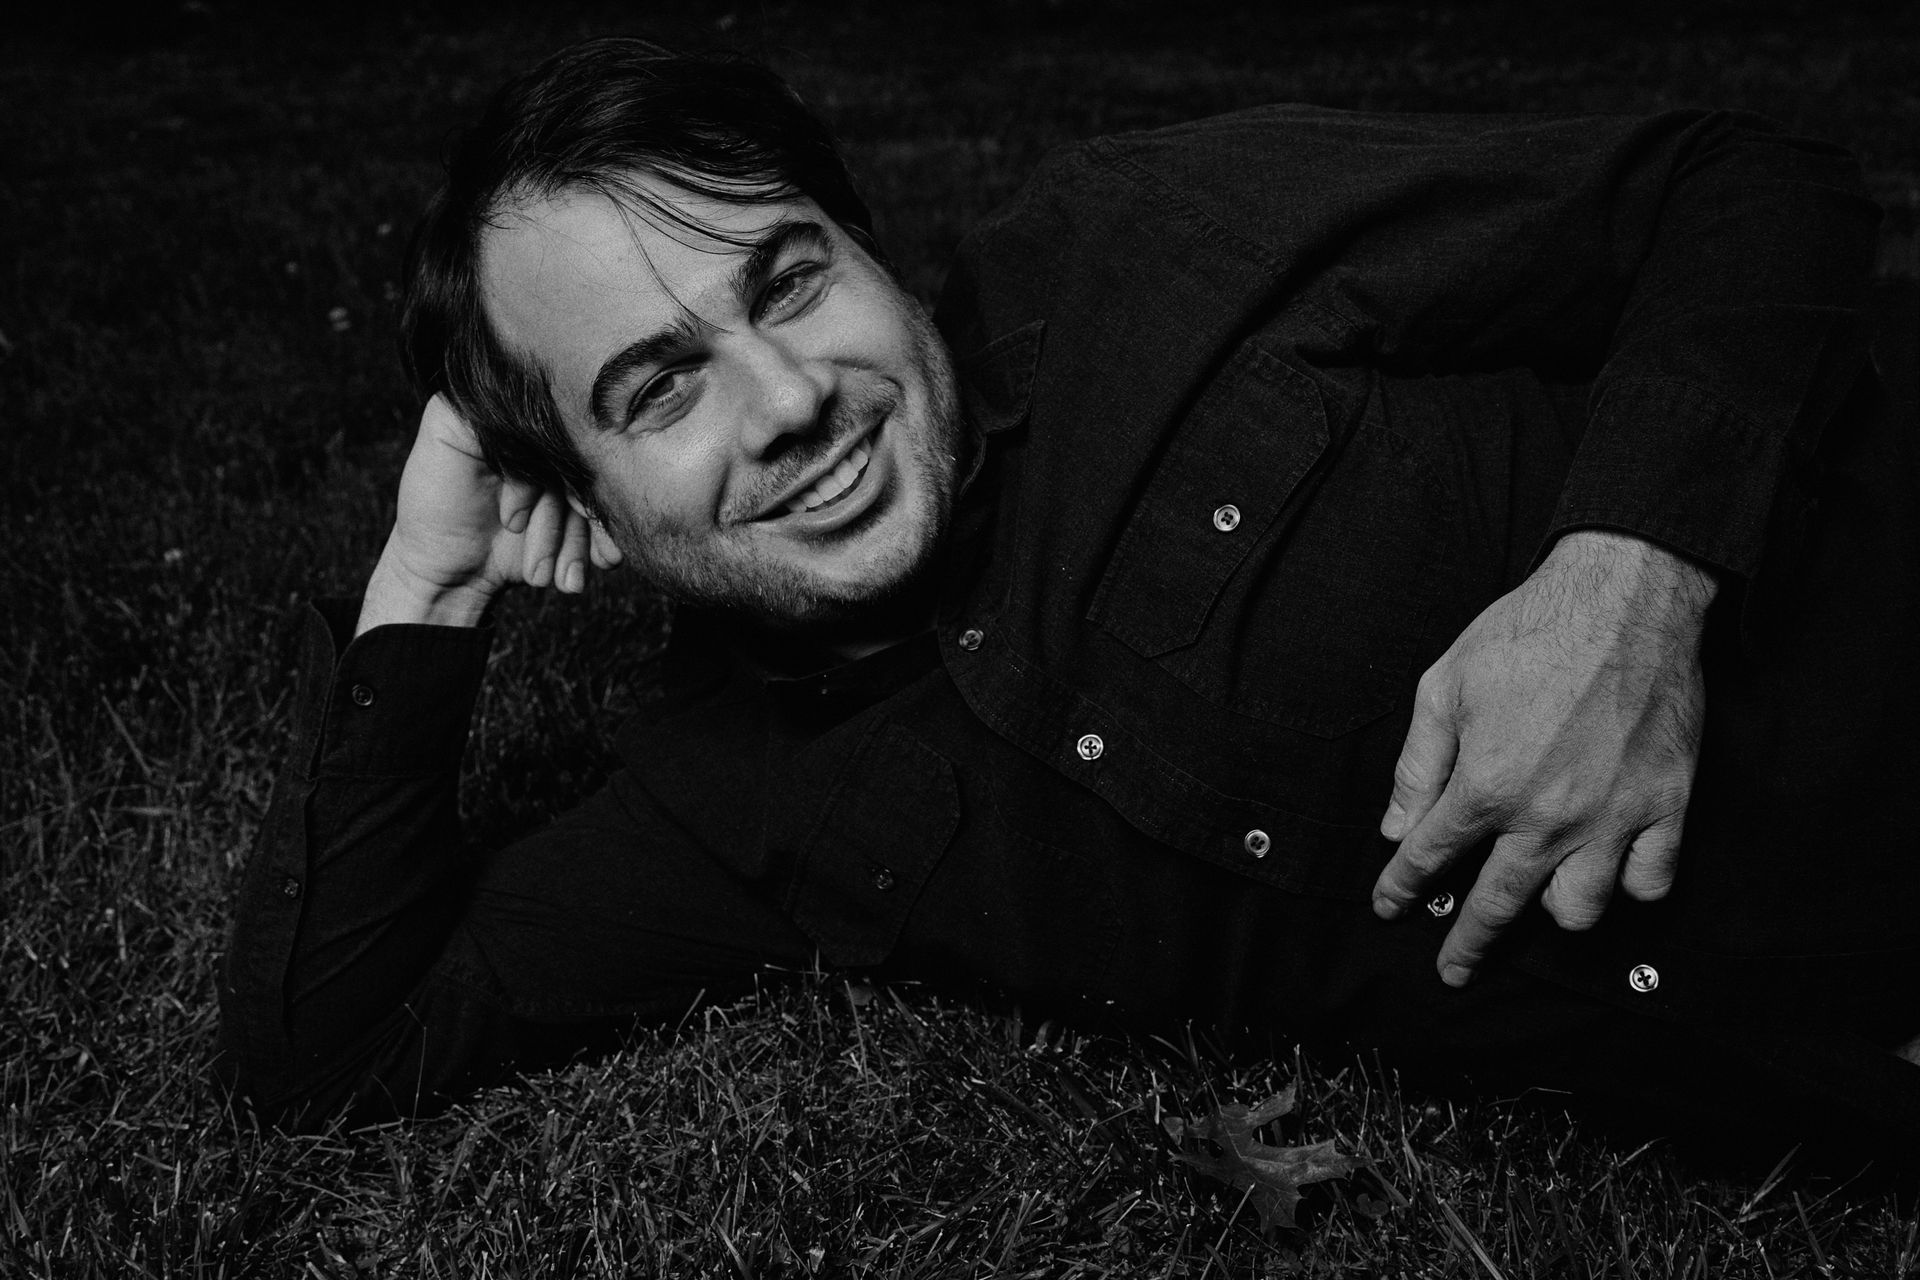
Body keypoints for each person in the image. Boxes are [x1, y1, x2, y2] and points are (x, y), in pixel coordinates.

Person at [217, 36, 1920, 1142]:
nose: (789, 399)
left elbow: (1742, 190)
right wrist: (426, 577)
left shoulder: (1143, 245)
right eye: (657, 391)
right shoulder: (731, 806)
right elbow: (329, 1048)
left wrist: (1629, 582)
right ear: (581, 494)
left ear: (867, 247)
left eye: (789, 283)